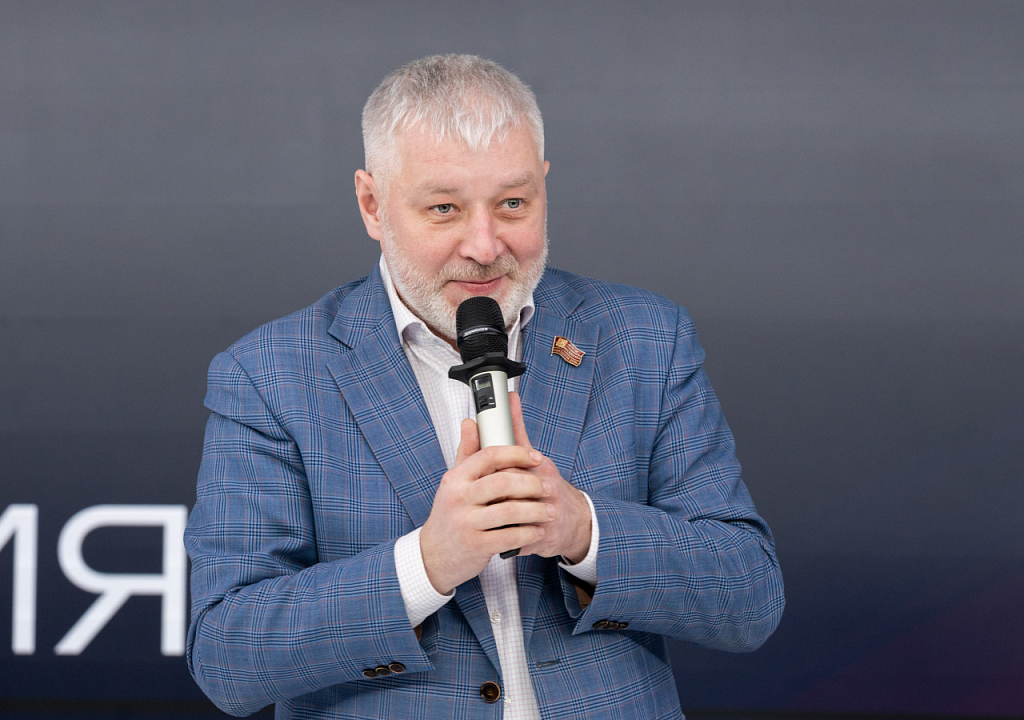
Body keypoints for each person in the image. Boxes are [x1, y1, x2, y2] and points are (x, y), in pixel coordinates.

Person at [185, 54, 784, 720]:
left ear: (544, 186)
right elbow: (227, 656)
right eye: (444, 208)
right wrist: (425, 565)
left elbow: (749, 596)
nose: (485, 245)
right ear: (373, 205)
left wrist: (583, 529)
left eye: (512, 204)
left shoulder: (645, 337)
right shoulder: (269, 374)